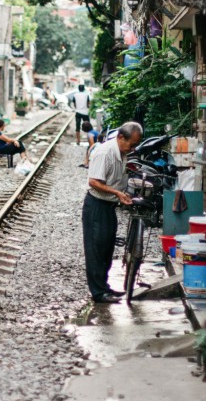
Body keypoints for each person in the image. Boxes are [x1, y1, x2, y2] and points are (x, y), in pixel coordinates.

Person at [82, 121, 143, 303]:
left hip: (108, 206)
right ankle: (98, 293)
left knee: (106, 248)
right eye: (131, 144)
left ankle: (104, 286)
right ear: (121, 137)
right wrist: (117, 192)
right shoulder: (105, 152)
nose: (132, 149)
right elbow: (93, 181)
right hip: (96, 205)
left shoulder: (122, 152)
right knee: (96, 250)